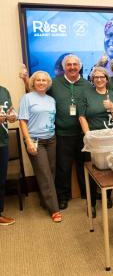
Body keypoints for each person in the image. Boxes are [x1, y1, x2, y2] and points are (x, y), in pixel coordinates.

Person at [20, 54, 93, 210]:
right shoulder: (54, 83)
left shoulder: (87, 85)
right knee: (62, 168)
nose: (72, 67)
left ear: (80, 66)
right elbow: (36, 92)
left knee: (84, 166)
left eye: (75, 64)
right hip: (61, 134)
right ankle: (62, 196)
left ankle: (87, 194)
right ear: (64, 67)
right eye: (69, 64)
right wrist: (25, 79)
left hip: (83, 134)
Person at [19, 71, 62, 222]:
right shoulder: (27, 98)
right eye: (39, 80)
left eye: (44, 80)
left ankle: (46, 201)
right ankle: (54, 209)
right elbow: (22, 121)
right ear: (33, 82)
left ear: (48, 83)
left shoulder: (51, 99)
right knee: (44, 173)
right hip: (35, 140)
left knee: (50, 171)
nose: (42, 83)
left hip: (51, 139)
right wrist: (28, 140)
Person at [79, 67, 113, 217]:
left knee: (110, 168)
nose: (99, 79)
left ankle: (107, 196)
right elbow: (82, 116)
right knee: (93, 171)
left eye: (102, 76)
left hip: (111, 138)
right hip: (94, 139)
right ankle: (91, 204)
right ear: (92, 79)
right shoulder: (86, 94)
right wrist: (88, 135)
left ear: (106, 78)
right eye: (95, 77)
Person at [0, 86, 17, 226]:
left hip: (2, 142)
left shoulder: (4, 90)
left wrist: (13, 116)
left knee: (1, 180)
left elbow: (11, 111)